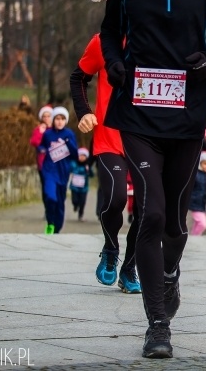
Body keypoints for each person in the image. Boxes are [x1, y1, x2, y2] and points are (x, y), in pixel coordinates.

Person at [99, 0, 206, 359]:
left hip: (188, 115)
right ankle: (158, 324)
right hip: (137, 112)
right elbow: (110, 35)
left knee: (176, 219)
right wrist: (115, 65)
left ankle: (170, 272)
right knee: (151, 212)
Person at [70, 32, 141, 295]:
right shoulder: (103, 41)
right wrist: (84, 112)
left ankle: (130, 268)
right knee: (115, 199)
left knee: (148, 210)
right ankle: (111, 249)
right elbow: (78, 77)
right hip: (109, 137)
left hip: (148, 139)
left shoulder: (160, 38)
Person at [37, 106, 78, 234]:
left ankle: (57, 228)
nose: (59, 121)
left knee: (60, 202)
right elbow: (41, 145)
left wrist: (67, 143)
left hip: (63, 172)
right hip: (49, 170)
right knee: (50, 197)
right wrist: (41, 149)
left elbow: (75, 154)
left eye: (62, 119)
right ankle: (50, 222)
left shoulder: (69, 134)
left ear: (65, 121)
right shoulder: (48, 134)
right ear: (53, 120)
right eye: (57, 119)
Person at [30, 105, 53, 226]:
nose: (47, 118)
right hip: (43, 164)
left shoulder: (56, 128)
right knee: (45, 188)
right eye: (44, 116)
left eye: (49, 116)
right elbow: (34, 142)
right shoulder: (40, 129)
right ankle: (47, 209)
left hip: (56, 164)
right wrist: (41, 132)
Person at [69, 147, 93, 222]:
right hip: (74, 187)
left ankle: (80, 214)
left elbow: (92, 175)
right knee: (75, 200)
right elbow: (69, 169)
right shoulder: (73, 164)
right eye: (80, 156)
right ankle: (75, 205)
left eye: (84, 156)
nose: (82, 158)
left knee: (82, 202)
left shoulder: (87, 166)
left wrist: (88, 170)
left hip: (84, 188)